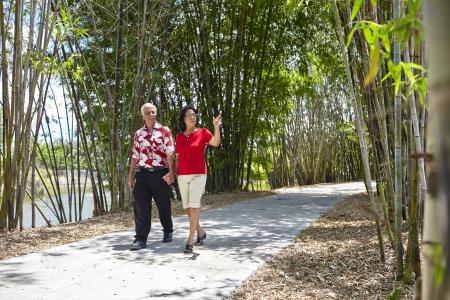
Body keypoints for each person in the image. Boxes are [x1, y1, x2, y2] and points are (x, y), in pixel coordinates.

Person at [127, 103, 175, 251]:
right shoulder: (138, 133)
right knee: (140, 207)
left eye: (153, 112)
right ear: (143, 115)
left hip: (161, 173)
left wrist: (172, 172)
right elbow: (135, 155)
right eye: (148, 113)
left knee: (163, 205)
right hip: (142, 174)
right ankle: (140, 238)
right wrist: (131, 175)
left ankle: (168, 230)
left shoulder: (164, 131)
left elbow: (170, 153)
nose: (151, 115)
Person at [175, 104, 221, 253]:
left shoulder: (203, 132)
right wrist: (172, 173)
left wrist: (216, 127)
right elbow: (177, 156)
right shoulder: (179, 136)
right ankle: (200, 232)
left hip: (198, 174)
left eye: (194, 115)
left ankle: (189, 241)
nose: (192, 117)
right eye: (189, 115)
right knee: (188, 208)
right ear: (184, 119)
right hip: (182, 175)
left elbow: (215, 142)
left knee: (194, 206)